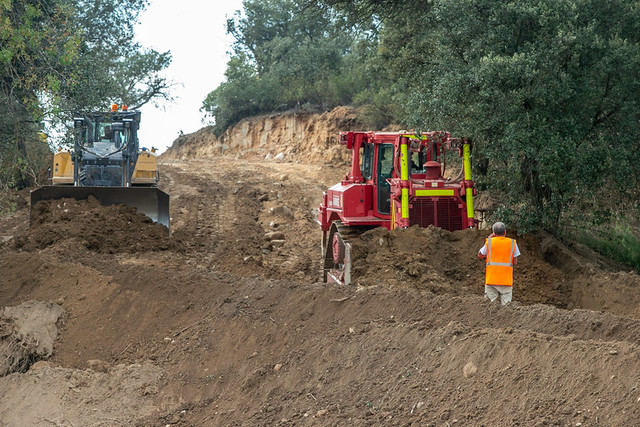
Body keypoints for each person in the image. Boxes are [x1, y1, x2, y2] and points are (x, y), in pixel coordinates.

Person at [477, 222, 520, 305]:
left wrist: (489, 239)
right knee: (506, 308)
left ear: (493, 233)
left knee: (490, 307)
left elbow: (480, 255)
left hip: (491, 280)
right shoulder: (512, 243)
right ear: (505, 232)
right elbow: (514, 262)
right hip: (506, 281)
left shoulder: (489, 242)